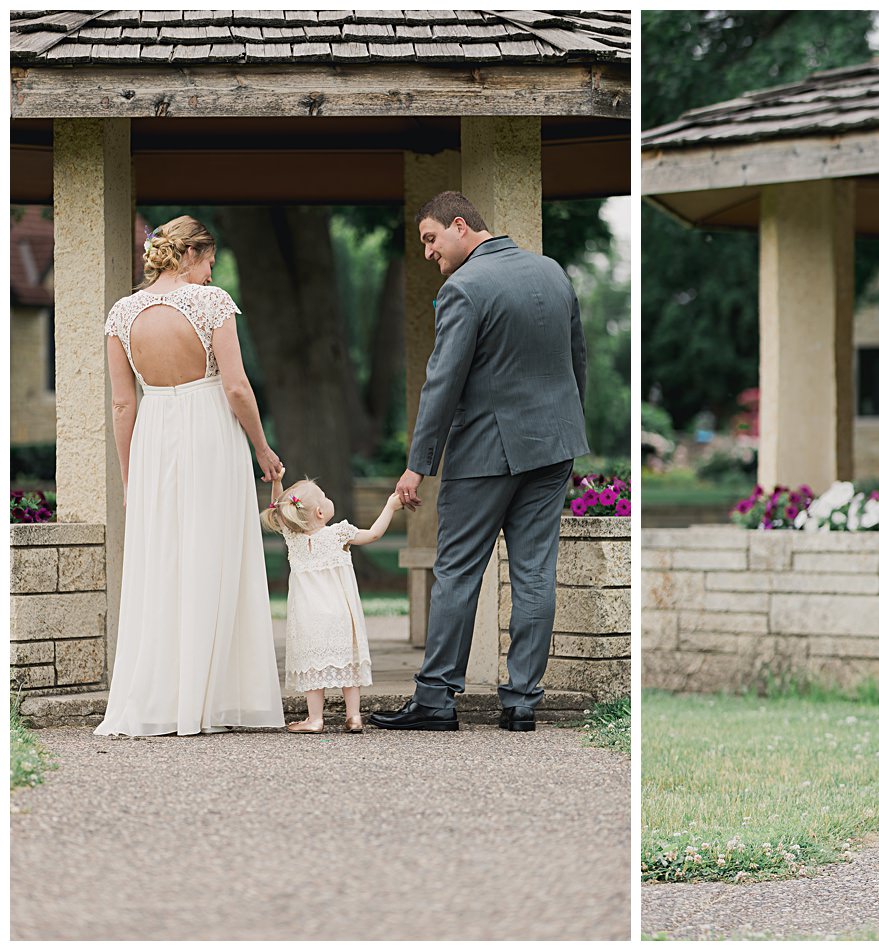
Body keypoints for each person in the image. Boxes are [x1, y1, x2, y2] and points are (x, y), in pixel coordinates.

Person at [371, 191, 588, 733]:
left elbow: (441, 385)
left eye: (430, 238)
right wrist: (565, 429)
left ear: (460, 226)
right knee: (535, 572)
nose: (427, 252)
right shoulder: (554, 274)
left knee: (458, 570)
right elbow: (576, 361)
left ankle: (436, 699)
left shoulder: (464, 288)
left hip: (486, 452)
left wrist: (417, 464)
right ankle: (520, 702)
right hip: (554, 447)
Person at [96, 216, 286, 737]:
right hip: (208, 435)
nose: (210, 274)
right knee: (215, 552)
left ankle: (161, 697)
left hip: (154, 438)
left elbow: (120, 403)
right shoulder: (212, 304)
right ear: (190, 255)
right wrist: (263, 450)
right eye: (209, 263)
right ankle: (220, 697)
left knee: (162, 562)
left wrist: (130, 478)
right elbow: (237, 387)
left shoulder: (121, 314)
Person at [263, 474, 401, 734]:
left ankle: (315, 719)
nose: (328, 499)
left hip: (308, 617)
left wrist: (276, 483)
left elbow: (279, 511)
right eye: (324, 497)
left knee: (314, 667)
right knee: (347, 663)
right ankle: (354, 717)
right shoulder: (339, 534)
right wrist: (390, 506)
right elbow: (372, 535)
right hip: (340, 613)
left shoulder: (293, 540)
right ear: (319, 512)